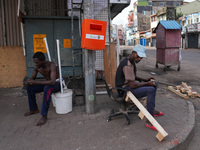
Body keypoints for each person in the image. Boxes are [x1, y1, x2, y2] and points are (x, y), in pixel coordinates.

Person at [115, 44, 164, 131]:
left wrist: (144, 80)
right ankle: (149, 121)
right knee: (150, 90)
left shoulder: (131, 61)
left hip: (127, 86)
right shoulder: (127, 65)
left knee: (154, 84)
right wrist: (147, 84)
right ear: (133, 52)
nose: (140, 59)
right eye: (139, 56)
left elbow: (133, 77)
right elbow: (132, 85)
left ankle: (152, 110)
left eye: (141, 57)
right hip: (124, 90)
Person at [24, 52, 60, 126]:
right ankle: (34, 109)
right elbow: (32, 78)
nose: (36, 64)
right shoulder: (37, 67)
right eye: (35, 62)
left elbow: (53, 82)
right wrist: (28, 82)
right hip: (47, 84)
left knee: (47, 89)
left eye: (37, 62)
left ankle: (44, 116)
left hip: (56, 84)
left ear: (43, 60)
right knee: (30, 88)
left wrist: (35, 82)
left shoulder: (51, 65)